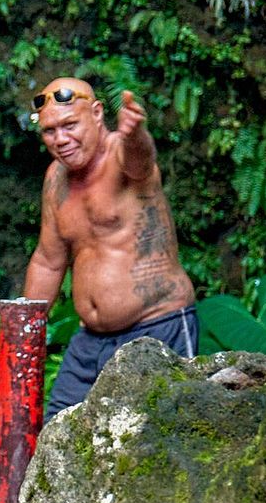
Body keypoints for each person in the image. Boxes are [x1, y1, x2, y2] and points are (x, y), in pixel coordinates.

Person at [22, 78, 198, 419]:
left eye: (70, 125)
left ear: (98, 114)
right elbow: (48, 262)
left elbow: (140, 160)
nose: (61, 139)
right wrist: (22, 338)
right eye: (50, 131)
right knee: (56, 431)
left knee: (158, 439)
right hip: (90, 342)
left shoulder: (122, 153)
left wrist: (136, 135)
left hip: (156, 327)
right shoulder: (56, 179)